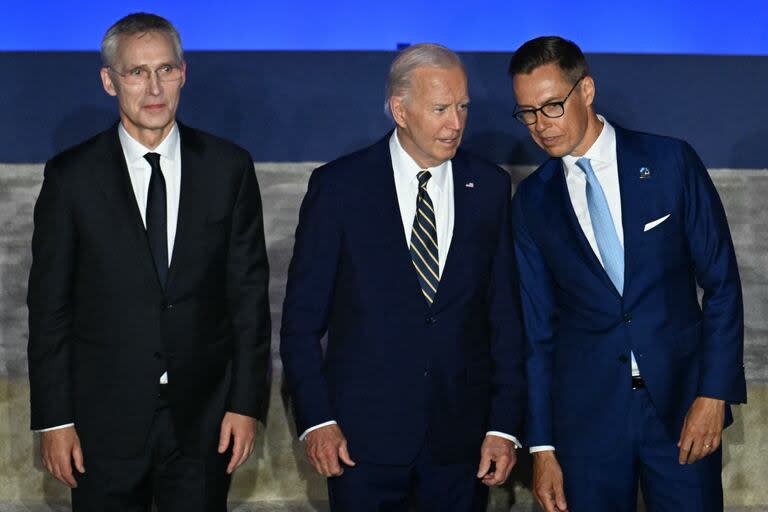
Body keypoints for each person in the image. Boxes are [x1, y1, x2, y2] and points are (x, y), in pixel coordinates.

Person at [26, 13, 270, 511]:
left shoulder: (229, 168)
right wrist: (55, 420)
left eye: (166, 69)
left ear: (184, 73)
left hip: (204, 424)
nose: (154, 87)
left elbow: (248, 299)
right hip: (102, 427)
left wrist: (245, 404)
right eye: (137, 72)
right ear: (109, 82)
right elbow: (50, 309)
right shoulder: (71, 178)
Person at [280, 43, 526, 511]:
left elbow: (505, 319)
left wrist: (502, 426)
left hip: (460, 450)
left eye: (462, 107)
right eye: (440, 109)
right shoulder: (339, 188)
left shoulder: (489, 186)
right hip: (360, 448)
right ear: (400, 109)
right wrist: (317, 421)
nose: (456, 123)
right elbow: (301, 323)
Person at [508, 36, 746, 512]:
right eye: (527, 112)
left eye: (552, 106)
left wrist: (712, 393)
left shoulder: (669, 162)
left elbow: (721, 283)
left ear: (587, 91)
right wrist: (542, 447)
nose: (540, 125)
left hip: (680, 411)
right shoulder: (532, 202)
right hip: (586, 426)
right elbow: (536, 332)